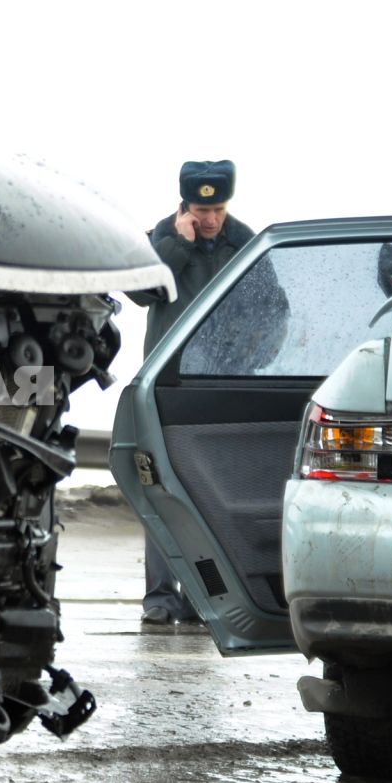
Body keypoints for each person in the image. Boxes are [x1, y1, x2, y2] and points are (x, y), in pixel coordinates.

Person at [132, 159, 258, 625]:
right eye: (201, 210)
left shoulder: (245, 241)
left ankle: (208, 601)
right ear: (185, 205)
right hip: (166, 386)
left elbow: (274, 311)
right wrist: (179, 247)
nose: (210, 220)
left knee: (212, 498)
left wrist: (247, 362)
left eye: (218, 209)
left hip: (218, 388)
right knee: (160, 491)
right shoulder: (160, 240)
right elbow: (141, 292)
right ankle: (161, 600)